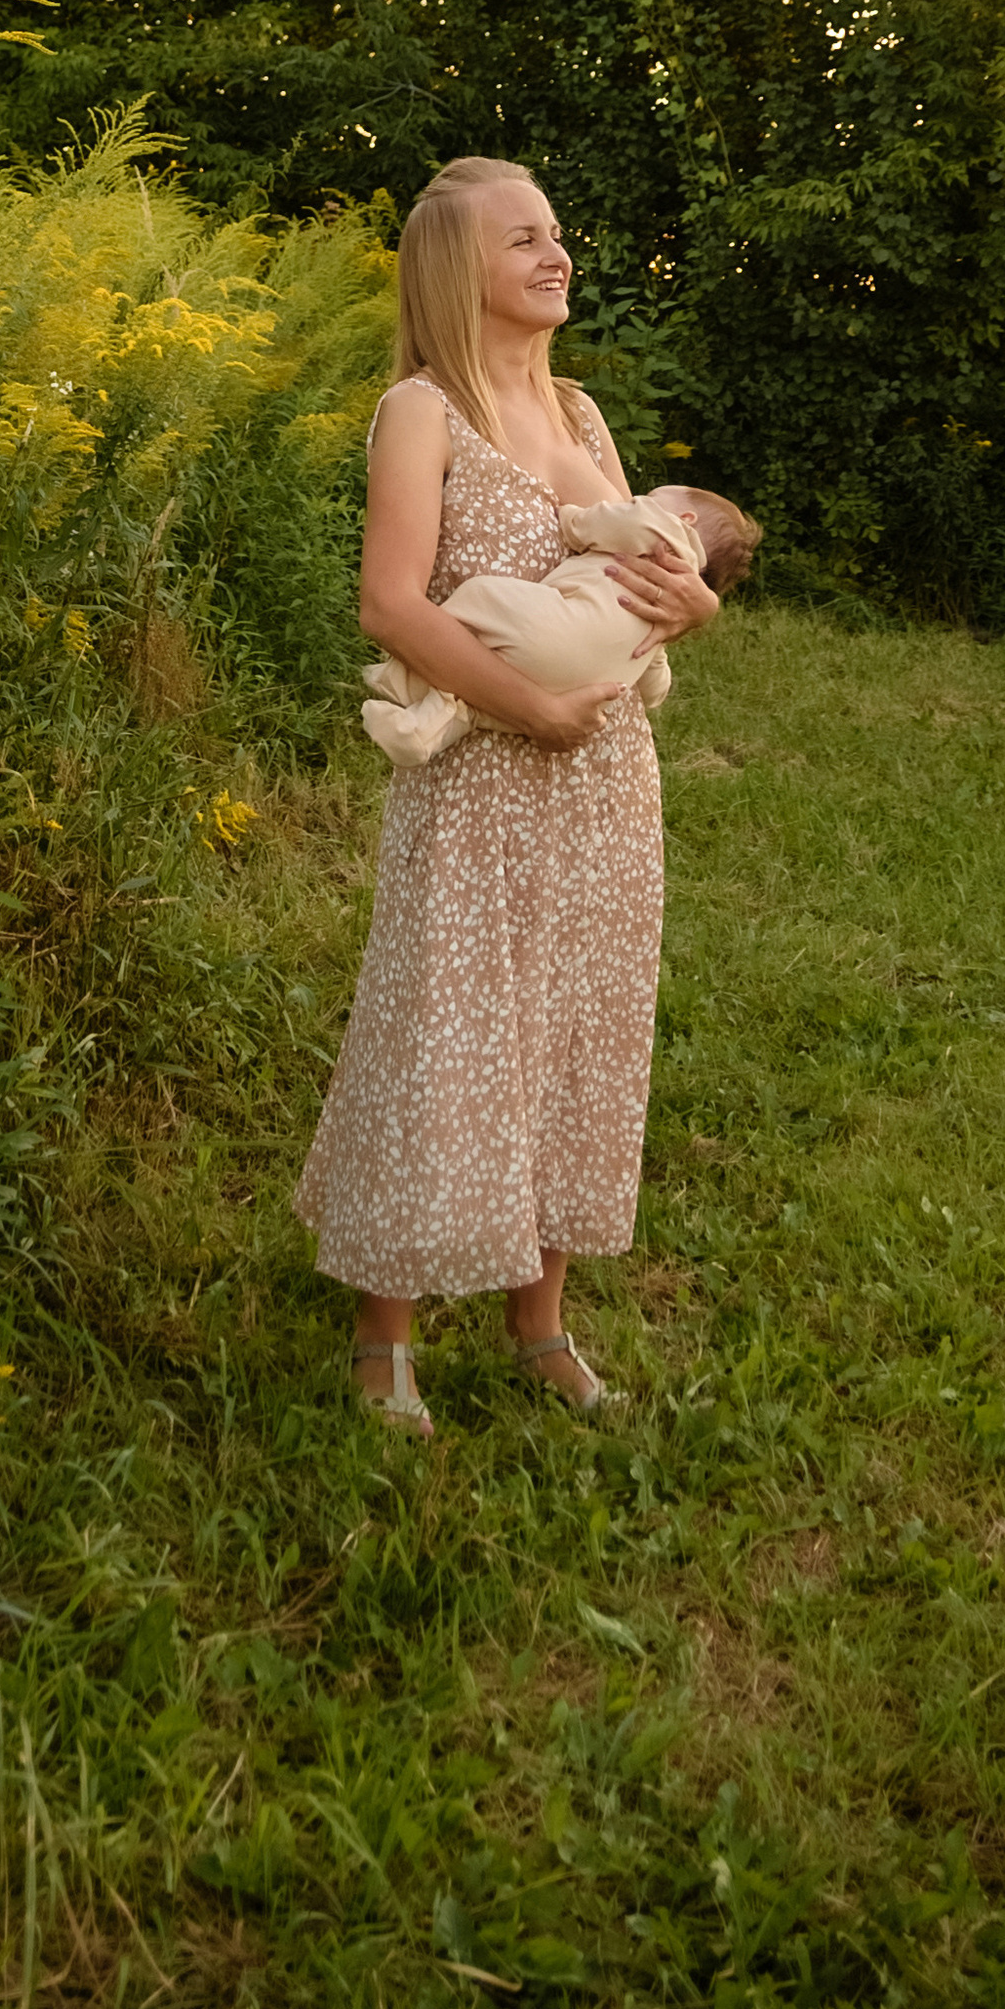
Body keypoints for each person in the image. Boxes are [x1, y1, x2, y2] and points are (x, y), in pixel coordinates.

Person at [293, 157, 727, 1436]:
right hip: (479, 780)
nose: (556, 257)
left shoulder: (586, 416)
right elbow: (388, 603)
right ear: (454, 270)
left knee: (580, 1036)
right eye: (523, 240)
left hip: (605, 785)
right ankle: (384, 1340)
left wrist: (695, 609)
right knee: (443, 1037)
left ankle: (540, 1323)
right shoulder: (419, 411)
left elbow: (637, 584)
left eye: (557, 234)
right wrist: (521, 706)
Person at [359, 478, 762, 764]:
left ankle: (404, 672)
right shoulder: (668, 605)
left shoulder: (664, 531)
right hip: (582, 685)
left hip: (553, 626)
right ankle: (427, 728)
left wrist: (572, 520)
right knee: (482, 707)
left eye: (651, 496)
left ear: (686, 519)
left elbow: (615, 520)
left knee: (480, 597)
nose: (638, 499)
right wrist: (653, 678)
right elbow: (655, 685)